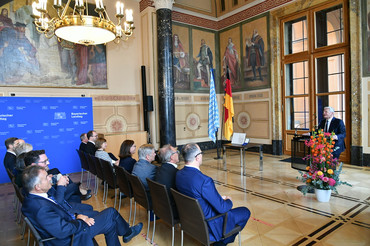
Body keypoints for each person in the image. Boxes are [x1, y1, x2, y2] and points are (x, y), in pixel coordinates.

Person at [21, 165, 143, 246]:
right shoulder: (41, 208)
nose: (50, 177)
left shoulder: (32, 199)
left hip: (69, 227)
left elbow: (57, 215)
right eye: (46, 177)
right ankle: (127, 232)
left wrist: (76, 215)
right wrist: (82, 221)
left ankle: (127, 232)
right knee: (111, 213)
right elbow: (63, 231)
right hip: (71, 239)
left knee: (110, 223)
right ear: (37, 187)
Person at [176, 143, 250, 245]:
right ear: (197, 158)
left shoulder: (179, 174)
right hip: (210, 223)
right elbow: (222, 208)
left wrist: (218, 198)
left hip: (191, 221)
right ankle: (221, 242)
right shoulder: (204, 181)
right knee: (245, 212)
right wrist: (229, 200)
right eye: (201, 153)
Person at [24, 150, 92, 202]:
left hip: (56, 196)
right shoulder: (34, 182)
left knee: (75, 195)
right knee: (74, 186)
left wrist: (58, 179)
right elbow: (53, 198)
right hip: (56, 200)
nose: (48, 163)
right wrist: (60, 184)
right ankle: (81, 192)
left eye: (47, 160)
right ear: (33, 165)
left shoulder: (32, 175)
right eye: (44, 161)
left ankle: (80, 193)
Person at [155, 144, 179, 218]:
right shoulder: (176, 173)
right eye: (176, 152)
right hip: (173, 212)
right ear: (172, 157)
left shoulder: (159, 169)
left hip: (160, 209)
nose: (178, 153)